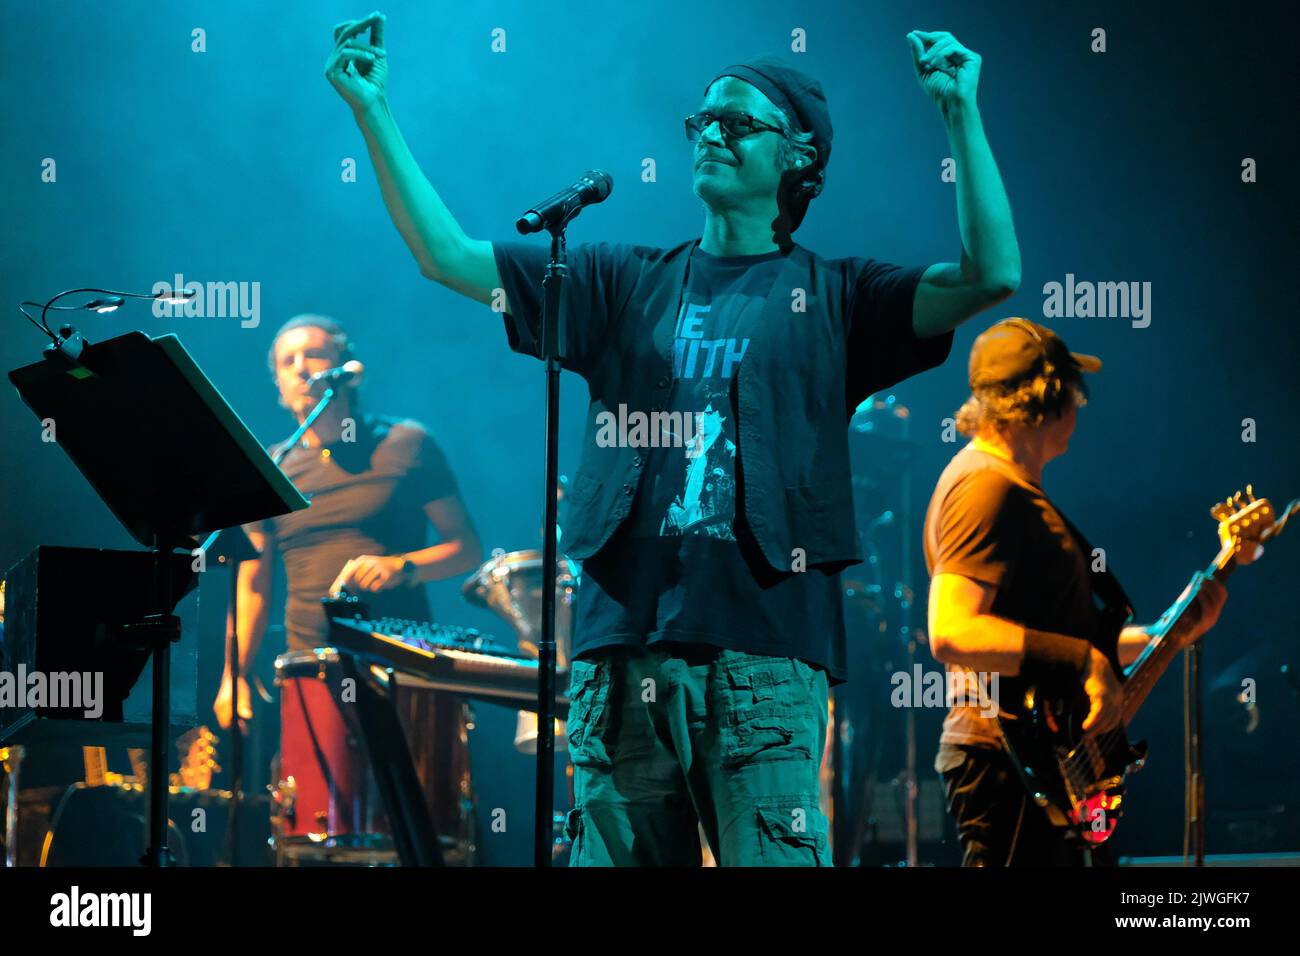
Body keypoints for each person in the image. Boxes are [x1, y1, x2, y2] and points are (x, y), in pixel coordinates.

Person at [326, 12, 1020, 865]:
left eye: (739, 122)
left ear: (799, 156)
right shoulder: (620, 280)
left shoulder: (839, 297)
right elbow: (447, 257)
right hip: (621, 655)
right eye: (703, 122)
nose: (712, 134)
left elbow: (993, 274)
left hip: (763, 659)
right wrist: (374, 111)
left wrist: (960, 111)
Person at [923, 318, 1228, 866]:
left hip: (1043, 754)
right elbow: (952, 631)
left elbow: (1059, 640)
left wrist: (1167, 636)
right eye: (1071, 390)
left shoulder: (1009, 486)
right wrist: (1083, 660)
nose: (1080, 407)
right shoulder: (985, 487)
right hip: (1007, 753)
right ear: (1047, 396)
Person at [213, 314, 482, 731]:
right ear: (280, 387)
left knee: (415, 791)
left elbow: (467, 547)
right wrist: (235, 674)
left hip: (405, 660)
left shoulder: (405, 443)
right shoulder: (271, 468)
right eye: (288, 361)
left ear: (347, 369)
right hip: (311, 670)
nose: (301, 367)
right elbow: (252, 585)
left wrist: (403, 566)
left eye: (315, 354)